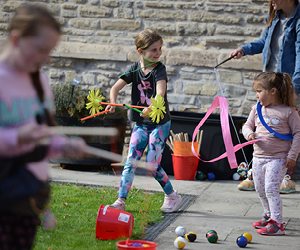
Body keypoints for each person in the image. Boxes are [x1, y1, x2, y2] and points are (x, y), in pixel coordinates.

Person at [0, 4, 87, 249]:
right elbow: (23, 138)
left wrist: (64, 145)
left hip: (27, 198)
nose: (47, 58)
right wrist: (16, 136)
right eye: (41, 50)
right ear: (17, 39)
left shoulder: (41, 81)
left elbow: (44, 137)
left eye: (50, 51)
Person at [105, 29, 182, 213]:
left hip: (159, 123)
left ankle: (172, 196)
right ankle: (121, 201)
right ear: (140, 51)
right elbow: (116, 87)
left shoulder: (159, 69)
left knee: (152, 165)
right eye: (153, 50)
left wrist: (153, 106)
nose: (158, 53)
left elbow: (160, 92)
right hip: (140, 124)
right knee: (130, 161)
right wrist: (113, 100)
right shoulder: (134, 69)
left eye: (160, 48)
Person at [230, 0, 300, 192]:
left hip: (288, 86)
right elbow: (264, 42)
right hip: (269, 84)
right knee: (263, 125)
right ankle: (258, 172)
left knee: (285, 130)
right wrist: (244, 49)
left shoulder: (298, 20)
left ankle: (286, 176)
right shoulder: (275, 17)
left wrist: (296, 89)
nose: (270, 1)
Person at [242, 72, 300, 235]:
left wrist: (292, 156)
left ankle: (277, 224)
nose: (257, 95)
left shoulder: (289, 112)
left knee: (271, 189)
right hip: (258, 158)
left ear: (272, 91)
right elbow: (246, 126)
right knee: (260, 189)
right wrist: (249, 134)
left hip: (279, 159)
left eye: (259, 91)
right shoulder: (256, 109)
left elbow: (298, 134)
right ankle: (268, 216)